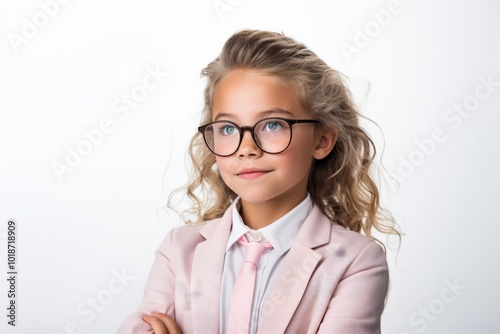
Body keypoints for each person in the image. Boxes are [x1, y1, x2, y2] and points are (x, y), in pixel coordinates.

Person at [116, 29, 399, 334]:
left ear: (322, 140)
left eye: (273, 124)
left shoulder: (356, 262)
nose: (246, 147)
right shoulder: (179, 250)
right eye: (227, 129)